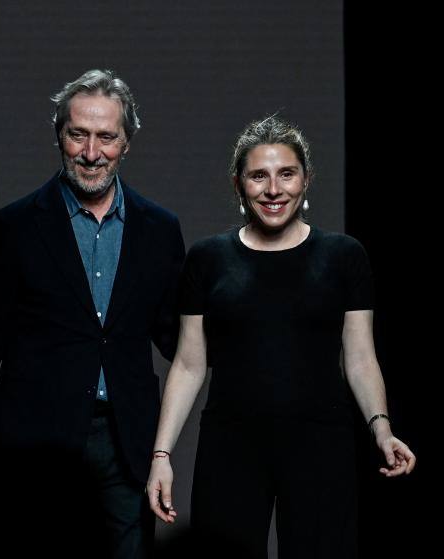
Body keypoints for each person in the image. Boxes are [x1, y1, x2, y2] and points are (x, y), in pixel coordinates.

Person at [146, 115, 416, 558]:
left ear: (306, 180)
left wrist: (381, 431)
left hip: (320, 445)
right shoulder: (208, 258)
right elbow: (190, 364)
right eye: (259, 176)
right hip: (231, 447)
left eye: (286, 174)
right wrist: (161, 457)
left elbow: (361, 358)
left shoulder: (344, 256)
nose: (274, 189)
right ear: (239, 184)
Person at [0, 69, 185, 558]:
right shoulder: (13, 228)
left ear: (128, 142)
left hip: (128, 443)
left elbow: (177, 339)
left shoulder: (160, 229)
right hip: (37, 448)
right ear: (58, 134)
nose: (91, 151)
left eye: (107, 137)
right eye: (78, 134)